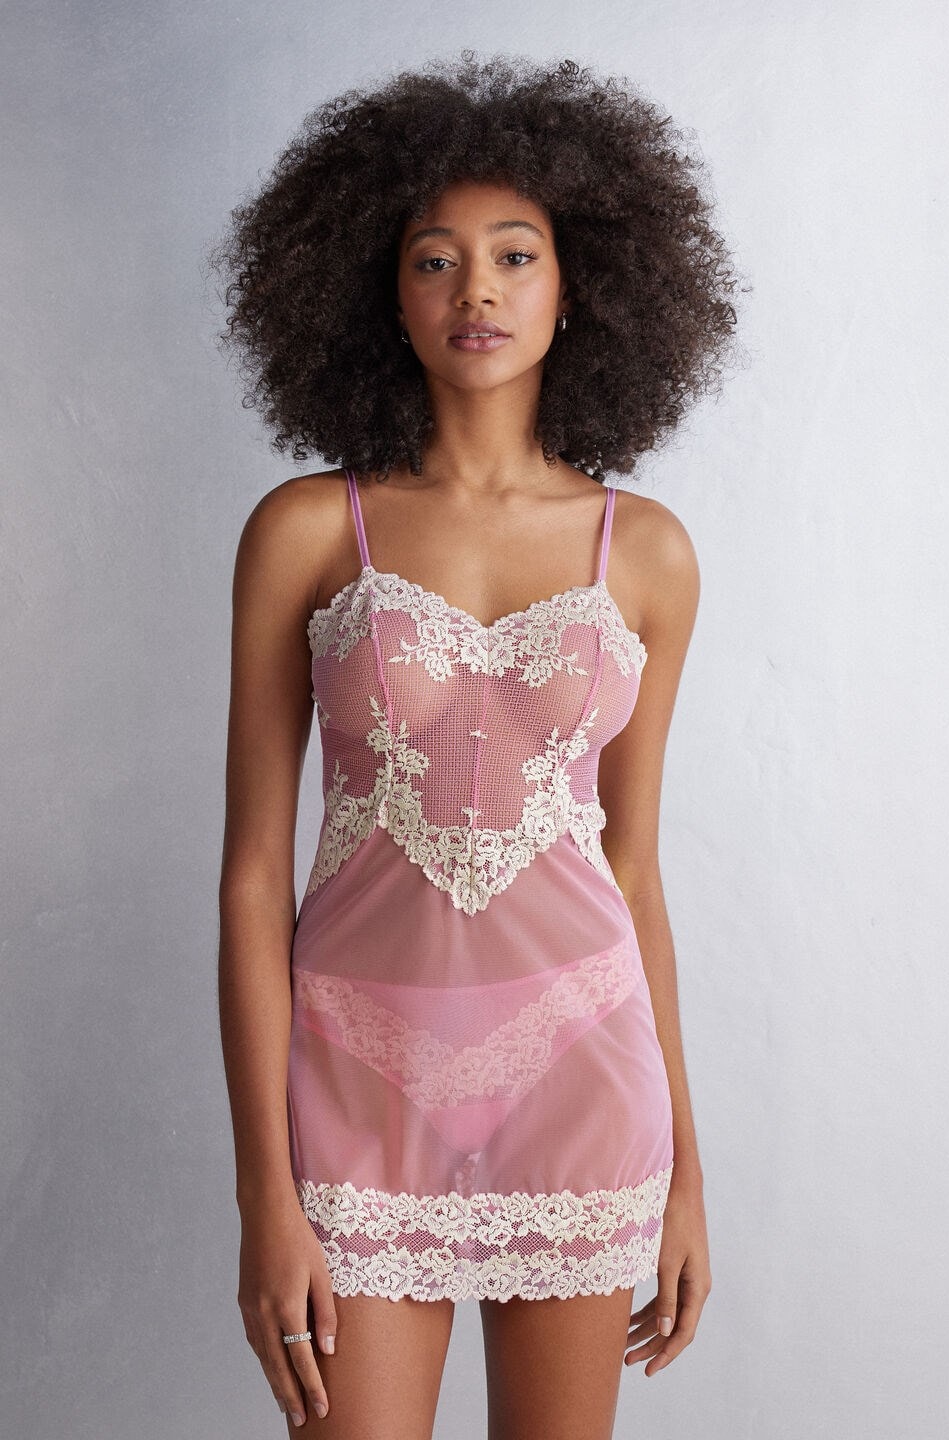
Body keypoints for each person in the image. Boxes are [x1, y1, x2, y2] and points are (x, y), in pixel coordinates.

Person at [212, 52, 741, 1439]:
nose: (478, 291)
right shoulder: (309, 530)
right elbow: (252, 877)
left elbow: (632, 870)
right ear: (381, 293)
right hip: (353, 1087)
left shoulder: (647, 553)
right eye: (435, 260)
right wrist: (267, 1192)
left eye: (516, 255)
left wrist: (687, 1173)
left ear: (581, 287)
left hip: (583, 1082)